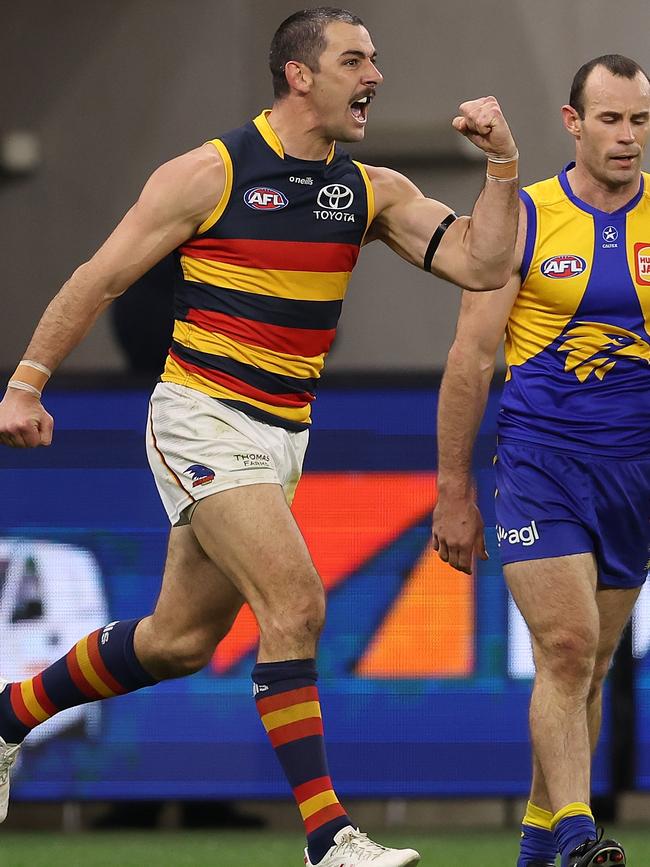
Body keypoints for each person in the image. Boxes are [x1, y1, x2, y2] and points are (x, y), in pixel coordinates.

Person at [0, 8, 519, 866]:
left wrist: (501, 164)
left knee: (178, 640)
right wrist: (26, 383)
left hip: (281, 436)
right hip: (200, 414)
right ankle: (329, 836)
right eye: (355, 59)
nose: (376, 76)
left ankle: (9, 715)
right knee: (298, 601)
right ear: (299, 75)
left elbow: (483, 264)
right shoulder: (208, 173)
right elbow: (98, 278)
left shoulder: (370, 190)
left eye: (375, 59)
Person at [432, 53, 650, 867]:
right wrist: (454, 490)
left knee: (589, 667)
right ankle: (577, 835)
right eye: (610, 119)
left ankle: (537, 845)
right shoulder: (522, 218)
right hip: (541, 464)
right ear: (574, 123)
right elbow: (469, 361)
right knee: (564, 645)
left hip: (636, 475)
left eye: (639, 120)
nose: (627, 136)